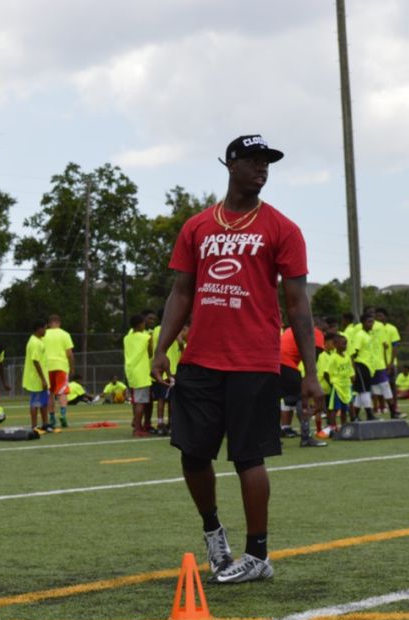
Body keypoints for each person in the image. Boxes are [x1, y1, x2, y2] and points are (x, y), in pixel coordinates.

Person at [150, 133, 324, 584]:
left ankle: (258, 555)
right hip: (200, 359)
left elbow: (298, 305)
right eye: (252, 160)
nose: (262, 168)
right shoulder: (197, 227)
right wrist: (161, 348)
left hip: (253, 361)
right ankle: (214, 533)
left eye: (267, 161)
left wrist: (311, 371)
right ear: (230, 164)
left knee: (249, 458)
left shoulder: (283, 228)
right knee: (192, 454)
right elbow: (181, 292)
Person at [277, 318, 327, 445]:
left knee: (274, 399)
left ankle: (272, 437)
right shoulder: (316, 331)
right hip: (286, 363)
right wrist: (310, 377)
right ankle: (306, 437)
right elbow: (313, 357)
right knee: (302, 397)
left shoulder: (290, 329)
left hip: (273, 362)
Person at [318, 332, 353, 437]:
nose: (345, 346)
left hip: (346, 386)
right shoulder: (333, 357)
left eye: (346, 344)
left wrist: (352, 377)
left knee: (344, 407)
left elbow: (350, 369)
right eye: (343, 344)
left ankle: (344, 426)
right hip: (337, 386)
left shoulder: (346, 356)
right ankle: (332, 427)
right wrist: (332, 383)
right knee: (333, 408)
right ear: (335, 345)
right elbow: (326, 373)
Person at [44, 314, 75, 430]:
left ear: (48, 323)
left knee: (50, 393)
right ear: (59, 323)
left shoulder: (44, 334)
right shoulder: (65, 334)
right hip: (61, 365)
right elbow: (70, 354)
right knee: (62, 392)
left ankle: (51, 418)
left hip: (47, 366)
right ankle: (62, 414)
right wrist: (72, 367)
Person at [125, 314, 154, 437]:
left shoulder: (127, 338)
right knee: (141, 403)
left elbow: (132, 332)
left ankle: (137, 425)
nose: (145, 324)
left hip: (130, 372)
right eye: (143, 323)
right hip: (142, 373)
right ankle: (137, 429)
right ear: (139, 325)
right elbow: (150, 353)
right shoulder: (146, 337)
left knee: (136, 402)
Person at [373, 307, 404, 418]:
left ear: (385, 317)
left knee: (391, 385)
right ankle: (381, 407)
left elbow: (394, 347)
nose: (378, 318)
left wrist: (390, 363)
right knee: (378, 386)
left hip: (389, 362)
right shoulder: (374, 327)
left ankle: (394, 406)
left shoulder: (392, 329)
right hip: (377, 363)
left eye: (380, 315)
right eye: (376, 316)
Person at [21, 319, 50, 434]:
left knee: (44, 402)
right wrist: (42, 379)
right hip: (36, 378)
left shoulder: (39, 340)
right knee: (35, 403)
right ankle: (34, 426)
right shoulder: (34, 342)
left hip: (41, 378)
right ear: (39, 329)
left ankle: (45, 424)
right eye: (45, 328)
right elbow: (35, 361)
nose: (46, 330)